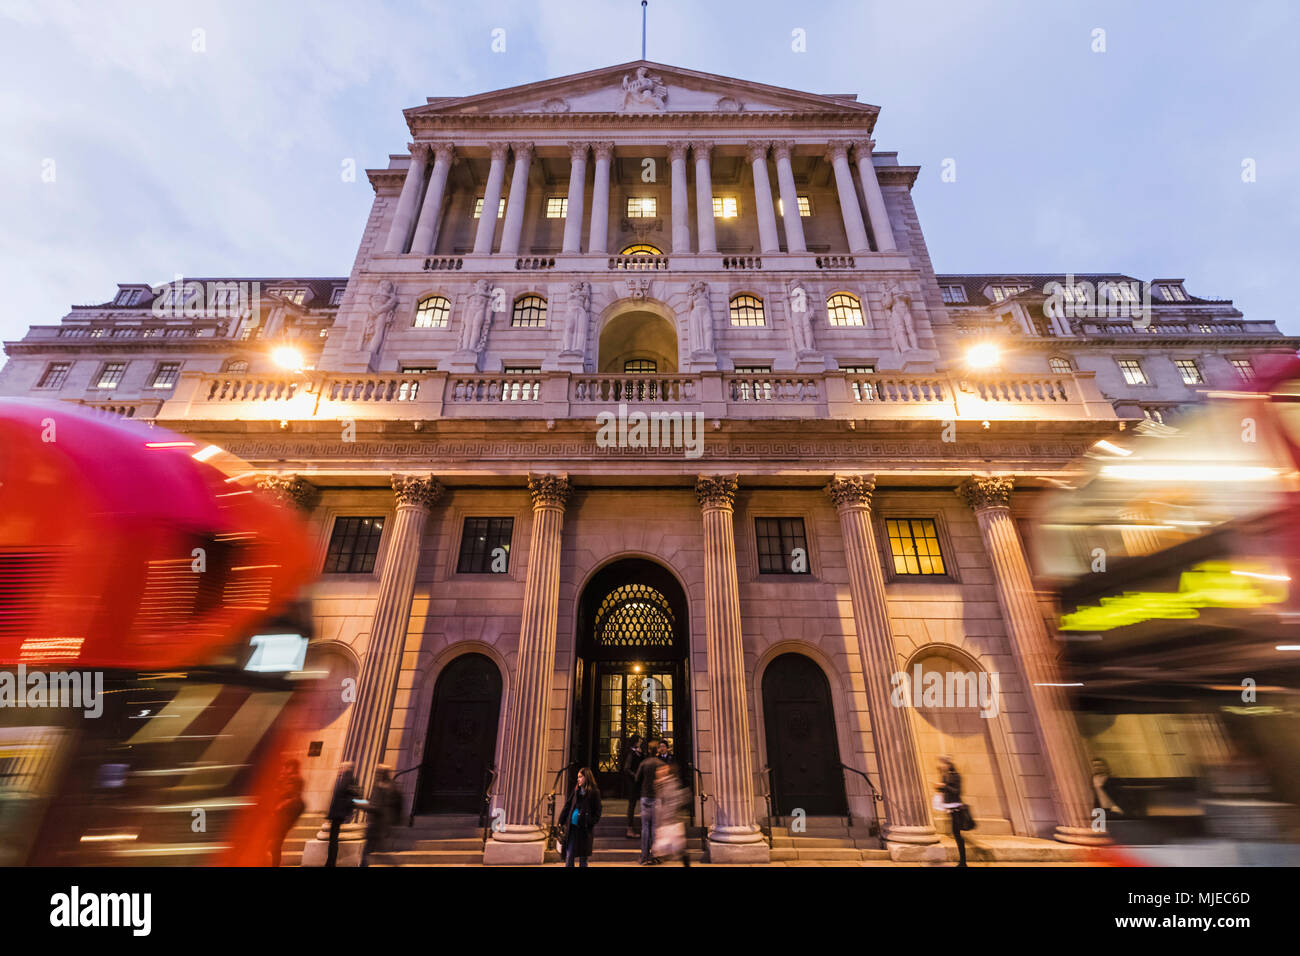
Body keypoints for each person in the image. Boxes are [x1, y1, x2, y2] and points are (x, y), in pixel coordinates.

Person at [558, 767, 602, 868]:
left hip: (584, 829)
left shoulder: (594, 792)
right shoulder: (576, 789)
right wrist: (561, 820)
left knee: (583, 859)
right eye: (578, 777)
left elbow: (598, 811)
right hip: (572, 827)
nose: (578, 779)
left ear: (586, 777)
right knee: (569, 856)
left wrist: (589, 821)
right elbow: (568, 805)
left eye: (580, 777)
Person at [361, 765, 402, 867]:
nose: (376, 774)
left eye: (378, 772)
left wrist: (364, 805)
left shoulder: (384, 787)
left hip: (377, 823)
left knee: (368, 851)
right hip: (380, 823)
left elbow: (378, 806)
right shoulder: (389, 785)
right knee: (375, 850)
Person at [633, 740, 666, 864]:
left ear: (648, 751)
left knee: (645, 828)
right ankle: (655, 856)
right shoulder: (660, 764)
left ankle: (644, 856)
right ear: (657, 750)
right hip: (656, 798)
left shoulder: (644, 763)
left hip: (645, 797)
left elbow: (637, 778)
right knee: (654, 828)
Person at [269, 758, 305, 867]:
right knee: (274, 845)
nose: (284, 769)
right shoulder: (286, 779)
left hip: (284, 818)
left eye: (287, 767)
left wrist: (280, 805)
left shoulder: (295, 779)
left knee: (275, 845)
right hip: (280, 816)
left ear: (292, 768)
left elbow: (294, 798)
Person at [325, 762, 362, 868]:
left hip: (339, 814)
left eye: (342, 767)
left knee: (333, 840)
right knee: (333, 840)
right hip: (337, 813)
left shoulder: (349, 779)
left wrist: (348, 810)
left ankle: (330, 863)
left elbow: (354, 797)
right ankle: (330, 862)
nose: (340, 769)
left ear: (347, 768)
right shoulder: (344, 779)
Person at [652, 763, 690, 867]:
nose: (658, 773)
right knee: (668, 851)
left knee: (667, 851)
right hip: (666, 822)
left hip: (670, 823)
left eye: (661, 770)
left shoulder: (669, 784)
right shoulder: (662, 784)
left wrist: (665, 819)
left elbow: (671, 803)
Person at [935, 756, 968, 867]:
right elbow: (944, 790)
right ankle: (962, 861)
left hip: (957, 809)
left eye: (944, 764)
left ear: (949, 765)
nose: (941, 766)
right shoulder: (946, 776)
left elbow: (957, 791)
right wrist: (939, 786)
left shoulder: (956, 776)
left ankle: (963, 862)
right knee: (956, 834)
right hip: (950, 809)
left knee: (958, 835)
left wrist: (945, 786)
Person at [620, 735, 645, 838]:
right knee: (632, 804)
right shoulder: (631, 752)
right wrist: (635, 775)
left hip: (637, 782)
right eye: (639, 742)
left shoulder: (637, 752)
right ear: (635, 742)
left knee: (637, 803)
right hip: (633, 783)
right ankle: (630, 828)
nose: (640, 743)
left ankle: (638, 828)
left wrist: (641, 753)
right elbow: (627, 768)